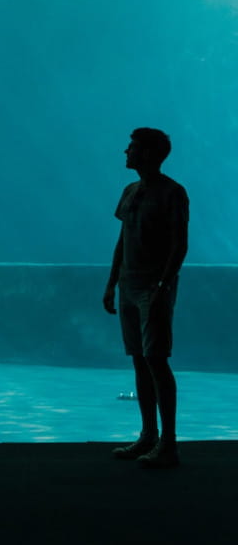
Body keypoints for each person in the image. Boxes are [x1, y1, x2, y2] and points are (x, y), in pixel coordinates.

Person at [103, 128, 189, 469]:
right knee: (139, 359)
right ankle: (148, 434)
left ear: (150, 154)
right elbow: (122, 241)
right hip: (128, 285)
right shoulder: (130, 191)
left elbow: (179, 245)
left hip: (153, 288)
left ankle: (168, 443)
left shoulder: (173, 193)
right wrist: (111, 283)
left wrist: (162, 286)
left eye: (134, 148)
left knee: (157, 360)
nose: (126, 152)